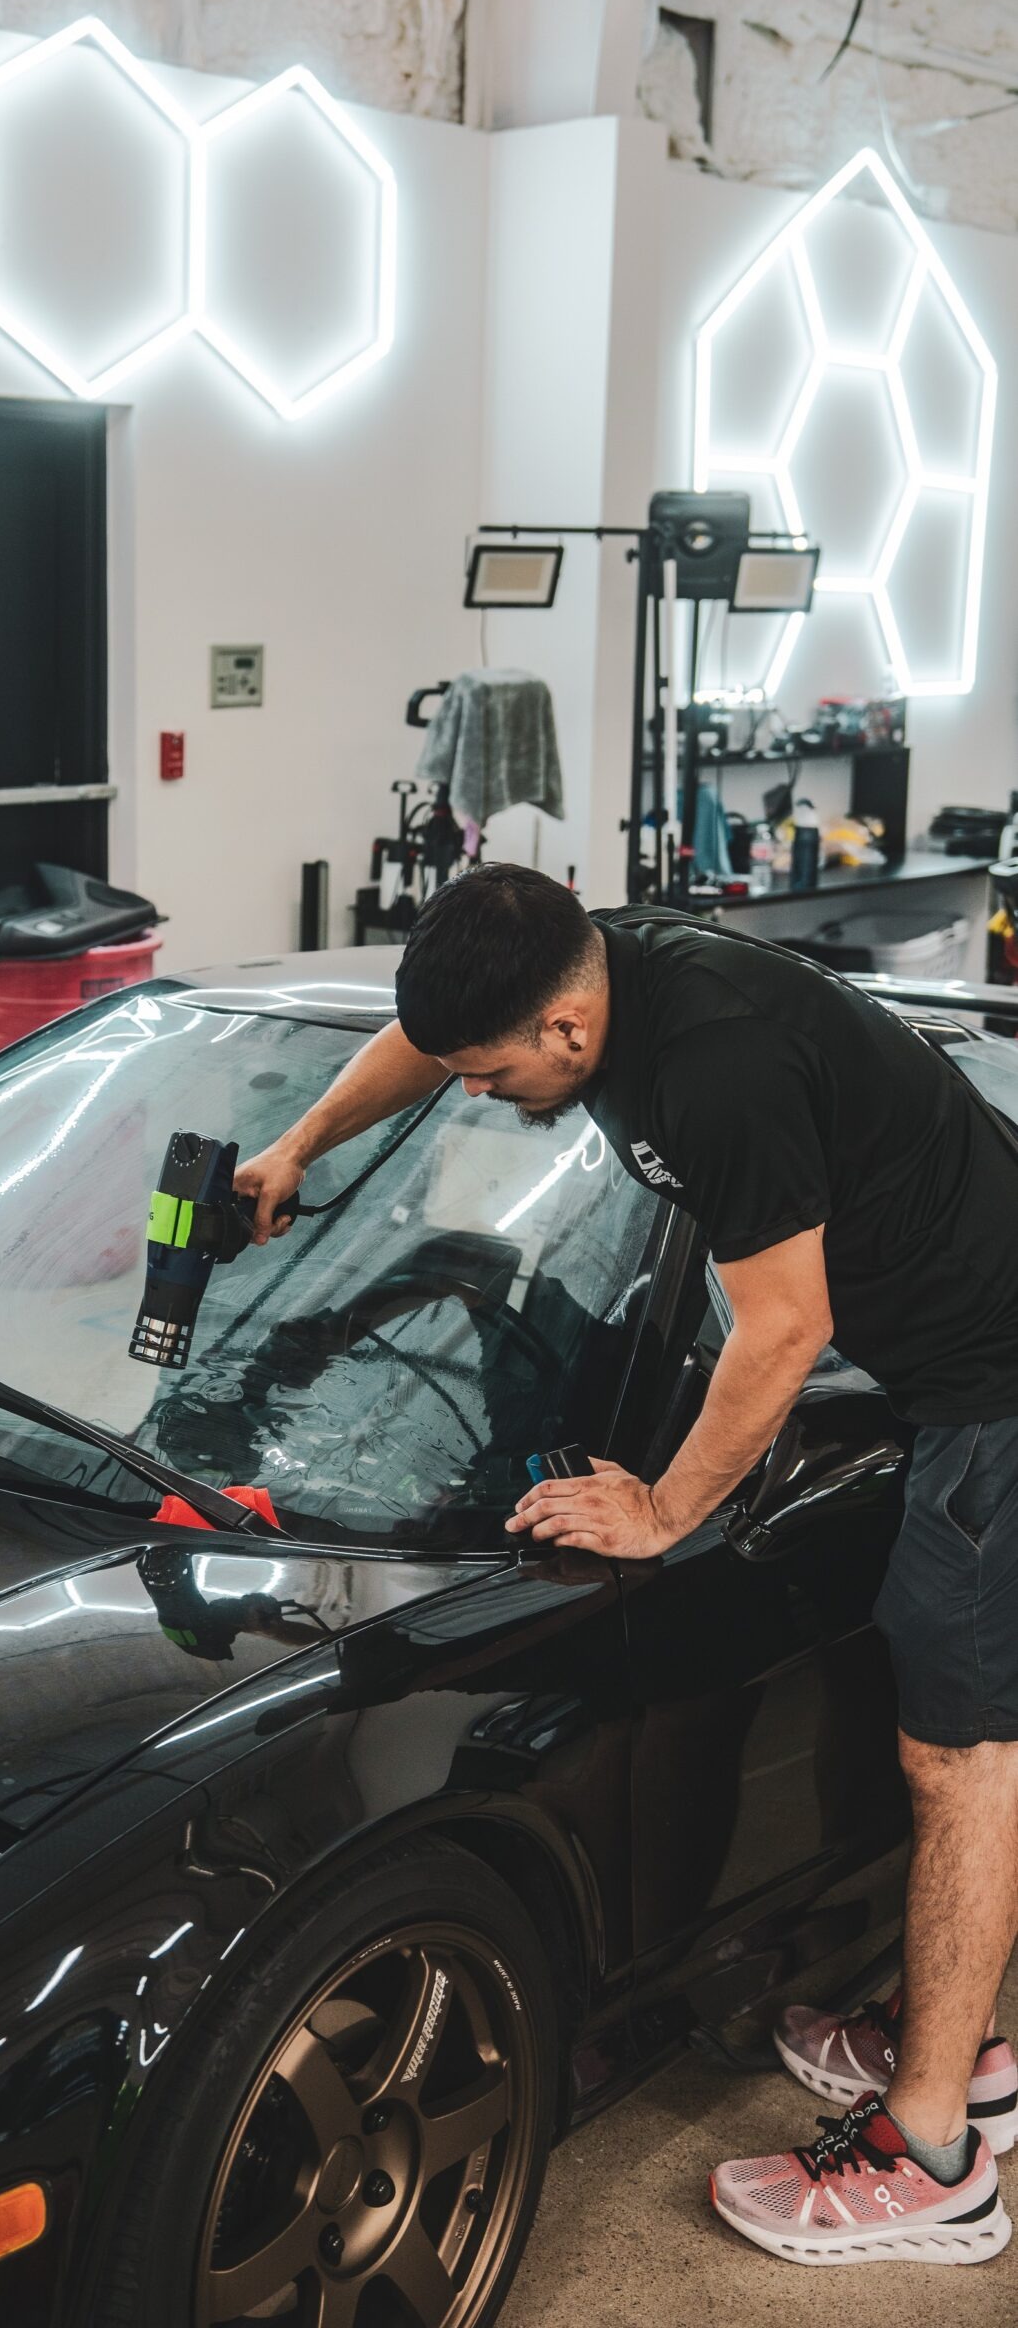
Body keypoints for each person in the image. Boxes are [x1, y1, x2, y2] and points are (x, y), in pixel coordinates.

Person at [237, 862, 1018, 2269]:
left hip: (999, 1379)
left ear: (569, 1030)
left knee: (960, 1758)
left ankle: (936, 2154)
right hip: (949, 1336)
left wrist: (662, 1511)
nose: (476, 1096)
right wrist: (302, 1140)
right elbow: (428, 1039)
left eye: (492, 1076)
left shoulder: (715, 1067)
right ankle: (963, 2042)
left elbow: (782, 1332)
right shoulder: (579, 965)